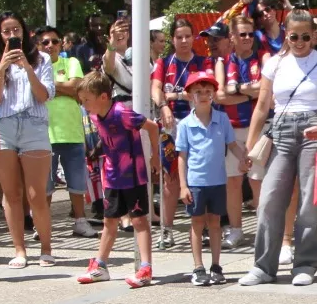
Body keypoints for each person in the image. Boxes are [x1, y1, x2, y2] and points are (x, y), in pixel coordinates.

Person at [238, 9, 317, 288]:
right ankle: (263, 266)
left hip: (313, 127)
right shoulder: (274, 63)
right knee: (270, 199)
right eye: (294, 36)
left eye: (306, 37)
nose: (299, 42)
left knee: (310, 201)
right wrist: (250, 147)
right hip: (281, 129)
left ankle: (306, 263)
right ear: (286, 35)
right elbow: (262, 106)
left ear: (315, 36)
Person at [0, 11, 57, 268]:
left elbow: (43, 95)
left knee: (36, 194)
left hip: (34, 126)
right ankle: (19, 250)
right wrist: (2, 67)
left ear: (25, 32)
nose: (12, 35)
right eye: (7, 31)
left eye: (17, 30)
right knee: (12, 193)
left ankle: (46, 248)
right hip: (3, 126)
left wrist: (27, 67)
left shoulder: (42, 59)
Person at [76, 74, 158, 288]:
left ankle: (146, 267)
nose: (83, 104)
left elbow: (152, 127)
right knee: (109, 221)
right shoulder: (96, 117)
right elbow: (108, 139)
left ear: (103, 97)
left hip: (134, 175)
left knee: (139, 220)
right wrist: (95, 151)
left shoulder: (122, 113)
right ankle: (100, 266)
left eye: (86, 100)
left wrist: (155, 155)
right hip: (112, 177)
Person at [176, 70, 241, 285]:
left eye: (207, 91)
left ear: (214, 93)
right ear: (189, 96)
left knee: (215, 223)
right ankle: (198, 267)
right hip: (196, 182)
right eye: (198, 91)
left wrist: (245, 158)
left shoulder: (222, 119)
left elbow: (232, 145)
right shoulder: (185, 124)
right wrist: (183, 185)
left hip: (218, 181)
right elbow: (182, 157)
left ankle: (216, 265)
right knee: (196, 223)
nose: (203, 95)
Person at [150, 18, 210, 251]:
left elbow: (203, 92)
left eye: (187, 36)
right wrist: (165, 104)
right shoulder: (164, 63)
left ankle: (202, 227)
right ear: (172, 40)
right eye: (179, 37)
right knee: (170, 179)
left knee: (199, 176)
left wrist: (182, 97)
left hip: (198, 123)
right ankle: (167, 229)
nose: (184, 41)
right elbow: (156, 88)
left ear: (193, 37)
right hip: (171, 125)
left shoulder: (203, 62)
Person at [216, 14, 266, 247]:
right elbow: (220, 96)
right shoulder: (223, 62)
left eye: (250, 33)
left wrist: (237, 90)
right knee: (233, 182)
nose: (247, 38)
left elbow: (267, 91)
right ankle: (236, 230)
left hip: (260, 126)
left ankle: (263, 230)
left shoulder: (263, 58)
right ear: (232, 37)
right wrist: (250, 93)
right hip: (232, 129)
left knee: (258, 180)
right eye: (242, 34)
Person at [38, 25, 92, 237]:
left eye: (54, 41)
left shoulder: (71, 62)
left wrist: (49, 87)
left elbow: (76, 88)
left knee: (77, 181)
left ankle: (80, 220)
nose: (50, 45)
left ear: (61, 44)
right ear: (38, 45)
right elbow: (38, 93)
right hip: (43, 133)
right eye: (45, 42)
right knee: (45, 184)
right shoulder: (34, 67)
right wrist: (63, 87)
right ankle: (43, 224)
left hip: (71, 132)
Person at [102, 16, 135, 102]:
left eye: (123, 31)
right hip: (121, 109)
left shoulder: (139, 55)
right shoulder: (109, 56)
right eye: (115, 32)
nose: (119, 34)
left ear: (128, 35)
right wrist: (113, 40)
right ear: (109, 38)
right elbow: (108, 67)